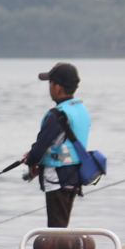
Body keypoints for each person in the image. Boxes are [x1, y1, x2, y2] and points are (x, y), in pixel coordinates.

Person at [22, 62, 92, 229]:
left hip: (57, 177)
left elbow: (40, 146)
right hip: (75, 175)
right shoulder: (80, 108)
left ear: (58, 87)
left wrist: (31, 161)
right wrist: (34, 155)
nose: (49, 87)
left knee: (56, 230)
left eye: (50, 83)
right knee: (62, 225)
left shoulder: (58, 114)